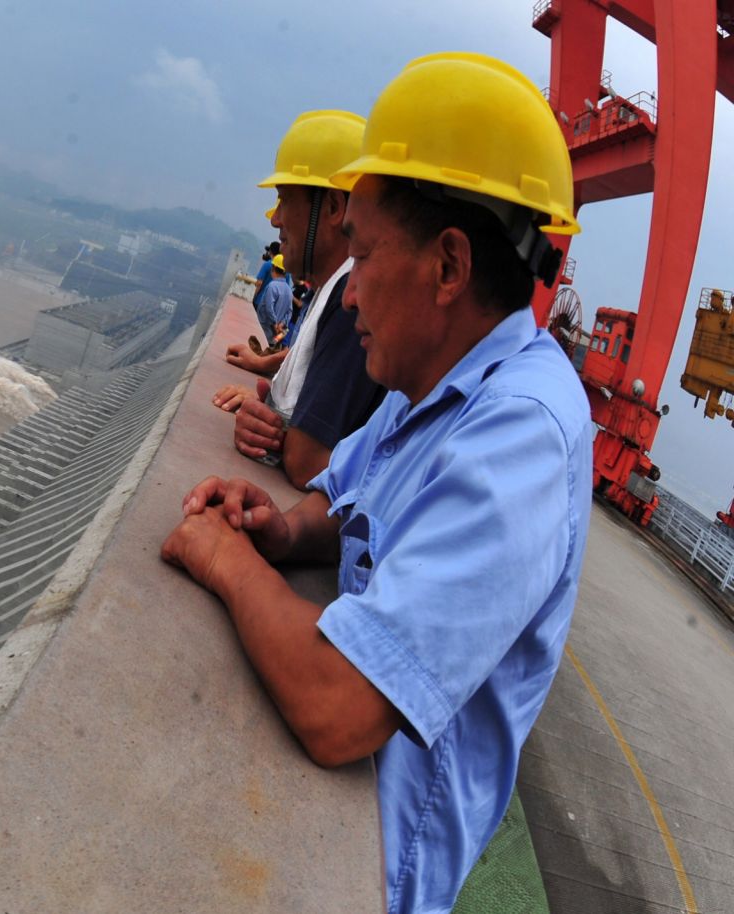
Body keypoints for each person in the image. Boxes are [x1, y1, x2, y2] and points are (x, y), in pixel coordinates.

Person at [160, 52, 590, 914]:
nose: (348, 297)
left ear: (449, 266)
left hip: (376, 873)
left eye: (364, 253)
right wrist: (281, 532)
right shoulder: (428, 383)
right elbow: (343, 498)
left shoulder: (523, 437)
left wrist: (226, 560)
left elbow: (340, 707)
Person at [215, 109, 386, 489]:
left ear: (332, 208)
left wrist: (275, 431)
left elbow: (308, 462)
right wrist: (270, 405)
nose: (275, 219)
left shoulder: (350, 302)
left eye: (284, 199)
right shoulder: (331, 289)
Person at [251, 255, 292, 347]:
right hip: (276, 335)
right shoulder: (289, 290)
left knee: (259, 350)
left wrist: (275, 323)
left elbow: (269, 308)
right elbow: (289, 312)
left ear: (273, 268)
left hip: (265, 330)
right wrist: (282, 324)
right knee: (270, 349)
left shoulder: (272, 286)